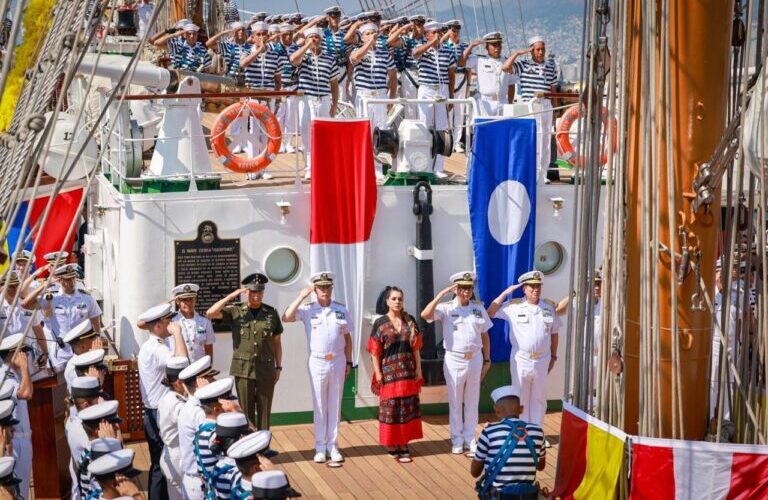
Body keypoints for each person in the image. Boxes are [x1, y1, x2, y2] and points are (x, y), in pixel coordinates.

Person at [282, 271, 352, 464]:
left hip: (337, 360)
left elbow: (347, 337)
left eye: (328, 287)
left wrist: (348, 361)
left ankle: (333, 445)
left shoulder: (341, 309)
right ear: (315, 289)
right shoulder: (307, 309)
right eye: (321, 287)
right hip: (317, 361)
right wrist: (302, 295)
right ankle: (320, 446)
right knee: (320, 404)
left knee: (335, 404)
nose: (325, 291)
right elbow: (286, 317)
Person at [421, 271, 491, 455]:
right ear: (456, 289)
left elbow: (485, 335)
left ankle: (470, 437)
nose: (466, 292)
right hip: (454, 359)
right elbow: (425, 314)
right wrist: (439, 296)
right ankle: (457, 439)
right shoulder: (446, 308)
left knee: (472, 400)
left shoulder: (478, 309)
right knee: (455, 400)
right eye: (462, 288)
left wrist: (487, 359)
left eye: (469, 288)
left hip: (475, 358)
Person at [207, 273, 283, 437]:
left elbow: (276, 342)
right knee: (245, 411)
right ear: (246, 292)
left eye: (259, 292)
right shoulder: (236, 311)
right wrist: (232, 296)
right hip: (243, 369)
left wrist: (278, 367)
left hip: (266, 368)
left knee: (264, 410)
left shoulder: (271, 313)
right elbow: (211, 313)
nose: (256, 295)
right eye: (252, 292)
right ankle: (249, 445)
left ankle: (263, 444)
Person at [487, 271, 559, 426]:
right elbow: (490, 312)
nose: (536, 289)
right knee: (521, 396)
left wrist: (553, 356)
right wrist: (506, 293)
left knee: (539, 397)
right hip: (521, 359)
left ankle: (537, 431)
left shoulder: (548, 307)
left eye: (538, 286)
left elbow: (554, 333)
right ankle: (522, 429)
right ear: (524, 289)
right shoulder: (514, 306)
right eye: (532, 286)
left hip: (542, 358)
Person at [136, 303, 189, 500]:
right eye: (168, 321)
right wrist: (177, 333)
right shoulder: (156, 348)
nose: (172, 323)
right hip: (159, 413)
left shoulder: (151, 345)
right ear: (159, 326)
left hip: (154, 411)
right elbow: (182, 363)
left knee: (160, 462)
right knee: (162, 463)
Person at [368, 286, 423, 462]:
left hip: (408, 371)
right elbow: (374, 351)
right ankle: (392, 442)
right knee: (391, 409)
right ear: (387, 301)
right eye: (394, 299)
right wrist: (377, 373)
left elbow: (416, 348)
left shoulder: (410, 320)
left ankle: (404, 443)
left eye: (400, 298)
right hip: (389, 372)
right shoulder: (380, 323)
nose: (397, 301)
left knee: (406, 408)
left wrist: (418, 369)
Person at [471, 386, 545, 500]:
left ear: (496, 410)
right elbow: (541, 466)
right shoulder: (537, 431)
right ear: (521, 409)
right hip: (528, 496)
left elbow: (475, 472)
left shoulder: (489, 432)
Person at [22, 263, 102, 365]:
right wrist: (43, 286)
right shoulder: (51, 298)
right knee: (61, 380)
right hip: (61, 353)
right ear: (60, 281)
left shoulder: (86, 298)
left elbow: (96, 324)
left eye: (73, 278)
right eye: (68, 279)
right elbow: (25, 304)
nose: (72, 282)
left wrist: (96, 345)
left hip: (83, 351)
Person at [290, 26, 340, 179]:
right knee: (307, 134)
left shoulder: (329, 58)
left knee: (323, 135)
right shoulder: (303, 57)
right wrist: (306, 46)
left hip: (323, 100)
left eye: (316, 37)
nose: (314, 40)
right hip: (307, 100)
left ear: (321, 40)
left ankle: (323, 166)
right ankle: (310, 168)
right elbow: (293, 59)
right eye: (311, 37)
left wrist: (334, 104)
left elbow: (334, 83)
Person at [350, 22, 397, 176]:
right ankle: (363, 166)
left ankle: (377, 169)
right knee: (365, 131)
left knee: (381, 132)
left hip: (381, 96)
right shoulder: (357, 50)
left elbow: (393, 76)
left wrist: (391, 98)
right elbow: (355, 58)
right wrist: (369, 44)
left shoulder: (384, 53)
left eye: (373, 33)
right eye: (368, 34)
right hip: (365, 96)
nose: (372, 36)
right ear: (362, 37)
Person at [412, 21, 456, 178]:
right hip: (426, 89)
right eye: (434, 32)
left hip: (442, 89)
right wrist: (430, 44)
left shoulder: (447, 51)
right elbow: (415, 54)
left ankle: (439, 168)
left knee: (442, 129)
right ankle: (424, 166)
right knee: (425, 127)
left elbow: (451, 74)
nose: (438, 34)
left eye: (439, 32)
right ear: (427, 34)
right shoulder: (422, 48)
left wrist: (450, 96)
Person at [177, 355, 219, 499]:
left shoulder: (190, 406)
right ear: (198, 383)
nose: (214, 381)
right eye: (211, 379)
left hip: (193, 480)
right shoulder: (199, 412)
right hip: (200, 483)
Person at [191, 378, 243, 493]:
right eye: (227, 403)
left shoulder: (204, 428)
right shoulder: (216, 434)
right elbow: (250, 447)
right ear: (217, 409)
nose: (231, 405)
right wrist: (237, 412)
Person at [0, 334, 32, 500]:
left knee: (22, 490)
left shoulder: (13, 375)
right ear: (14, 354)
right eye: (23, 352)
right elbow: (26, 393)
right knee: (18, 493)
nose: (26, 356)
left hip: (21, 439)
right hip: (15, 441)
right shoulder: (7, 377)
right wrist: (25, 368)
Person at [76, 401, 124, 499]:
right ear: (99, 430)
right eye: (113, 426)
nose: (116, 428)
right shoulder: (96, 458)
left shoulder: (90, 450)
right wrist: (110, 444)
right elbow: (117, 487)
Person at [157, 356, 189, 500]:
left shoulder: (169, 397)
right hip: (178, 457)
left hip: (171, 453)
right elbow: (190, 421)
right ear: (179, 382)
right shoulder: (176, 403)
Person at [466, 32, 515, 116]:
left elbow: (511, 84)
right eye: (494, 45)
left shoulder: (507, 62)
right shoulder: (479, 59)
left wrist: (509, 105)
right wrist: (471, 46)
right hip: (485, 103)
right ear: (487, 47)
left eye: (499, 45)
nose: (497, 48)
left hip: (503, 102)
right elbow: (461, 63)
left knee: (502, 128)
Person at [217, 430, 272, 498]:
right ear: (256, 468)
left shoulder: (236, 477)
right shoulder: (255, 496)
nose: (271, 464)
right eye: (267, 461)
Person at [167, 283, 215, 362]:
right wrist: (168, 302)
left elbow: (209, 347)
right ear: (177, 301)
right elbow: (144, 323)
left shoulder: (205, 321)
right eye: (184, 300)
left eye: (191, 299)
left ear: (195, 300)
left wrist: (208, 368)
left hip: (199, 368)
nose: (188, 303)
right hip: (178, 367)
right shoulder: (171, 321)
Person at [444, 20, 470, 152]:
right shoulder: (444, 45)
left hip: (461, 79)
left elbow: (468, 67)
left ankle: (457, 140)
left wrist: (469, 84)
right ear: (448, 31)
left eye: (457, 31)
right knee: (448, 111)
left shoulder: (464, 46)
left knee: (460, 110)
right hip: (449, 79)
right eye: (453, 30)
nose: (455, 33)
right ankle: (448, 139)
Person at [62, 319, 104, 389]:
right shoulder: (74, 367)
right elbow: (89, 393)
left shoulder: (86, 360)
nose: (97, 341)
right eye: (93, 339)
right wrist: (95, 358)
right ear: (82, 346)